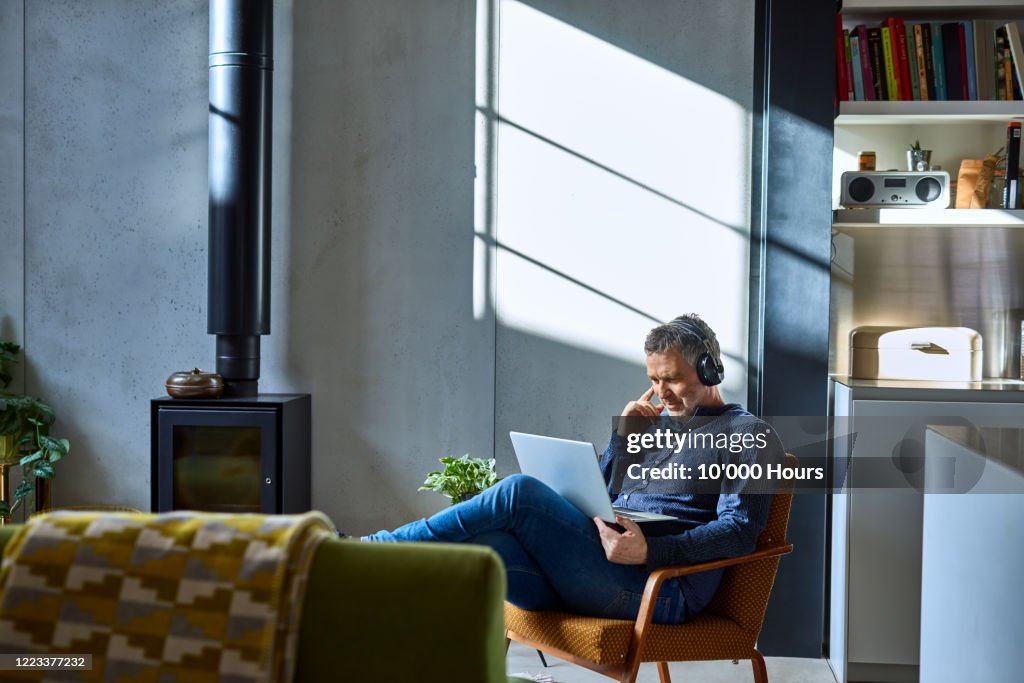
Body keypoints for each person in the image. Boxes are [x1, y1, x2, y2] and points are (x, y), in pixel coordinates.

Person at [363, 314, 784, 625]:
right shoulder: (654, 426)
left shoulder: (747, 434)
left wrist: (652, 551)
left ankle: (373, 551)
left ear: (709, 370)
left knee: (519, 494)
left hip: (659, 590)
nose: (660, 393)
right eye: (654, 380)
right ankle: (372, 595)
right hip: (599, 567)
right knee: (489, 542)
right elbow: (598, 495)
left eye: (671, 379)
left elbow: (739, 531)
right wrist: (623, 439)